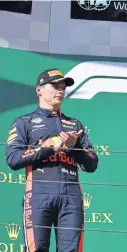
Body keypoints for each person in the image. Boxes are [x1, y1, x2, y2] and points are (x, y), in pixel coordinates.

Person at [5, 68, 99, 252]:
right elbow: (13, 159)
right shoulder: (24, 122)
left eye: (63, 86)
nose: (61, 90)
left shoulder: (75, 125)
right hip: (38, 194)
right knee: (37, 249)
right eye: (55, 86)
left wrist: (75, 147)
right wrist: (49, 147)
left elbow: (92, 163)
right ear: (39, 89)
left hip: (71, 196)